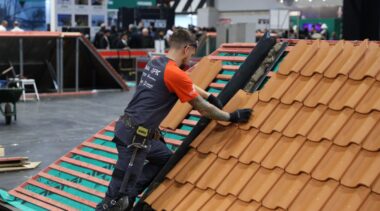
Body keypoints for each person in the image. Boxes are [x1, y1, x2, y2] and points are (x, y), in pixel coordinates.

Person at [95, 28, 252, 211]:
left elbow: (185, 82)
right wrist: (230, 117)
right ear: (186, 49)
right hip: (135, 140)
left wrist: (209, 95)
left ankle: (130, 194)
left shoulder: (157, 62)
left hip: (130, 129)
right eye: (192, 53)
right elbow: (202, 108)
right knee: (114, 202)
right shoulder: (174, 74)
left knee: (165, 159)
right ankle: (124, 197)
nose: (191, 58)